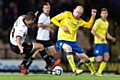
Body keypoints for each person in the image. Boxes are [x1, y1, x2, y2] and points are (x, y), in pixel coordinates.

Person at [51, 5, 97, 75]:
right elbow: (53, 19)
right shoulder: (66, 14)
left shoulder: (79, 21)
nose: (77, 14)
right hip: (62, 40)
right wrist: (61, 26)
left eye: (80, 14)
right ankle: (74, 69)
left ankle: (94, 72)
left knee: (86, 58)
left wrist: (93, 17)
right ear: (74, 10)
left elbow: (89, 25)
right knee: (68, 48)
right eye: (77, 12)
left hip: (73, 42)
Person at [25, 2, 60, 73]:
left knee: (53, 52)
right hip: (41, 38)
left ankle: (47, 67)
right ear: (43, 9)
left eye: (48, 8)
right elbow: (39, 25)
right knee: (36, 54)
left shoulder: (48, 16)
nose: (47, 9)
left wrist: (50, 30)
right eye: (46, 8)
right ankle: (26, 66)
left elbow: (45, 25)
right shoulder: (42, 16)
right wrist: (49, 26)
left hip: (47, 38)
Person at [89, 8, 116, 76]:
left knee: (107, 56)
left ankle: (99, 72)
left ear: (107, 14)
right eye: (103, 13)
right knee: (99, 59)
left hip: (104, 43)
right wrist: (99, 37)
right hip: (98, 43)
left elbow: (106, 34)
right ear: (101, 14)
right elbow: (92, 31)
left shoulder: (107, 23)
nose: (104, 15)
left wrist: (112, 38)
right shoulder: (98, 21)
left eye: (105, 13)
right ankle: (85, 60)